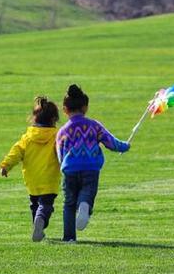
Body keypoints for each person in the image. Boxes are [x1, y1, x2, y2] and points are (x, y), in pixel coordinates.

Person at [56, 84, 130, 243]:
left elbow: (60, 152)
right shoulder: (94, 125)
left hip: (70, 169)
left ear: (65, 109)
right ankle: (84, 206)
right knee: (87, 192)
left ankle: (69, 238)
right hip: (91, 167)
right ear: (85, 107)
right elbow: (110, 142)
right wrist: (124, 146)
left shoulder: (63, 130)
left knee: (68, 204)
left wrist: (64, 165)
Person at [0, 96, 61, 242]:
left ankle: (37, 228)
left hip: (32, 180)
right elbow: (63, 151)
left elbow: (16, 151)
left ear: (34, 118)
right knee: (46, 205)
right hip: (50, 179)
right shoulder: (57, 136)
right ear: (54, 119)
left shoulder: (27, 137)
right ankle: (40, 221)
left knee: (35, 204)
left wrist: (5, 165)